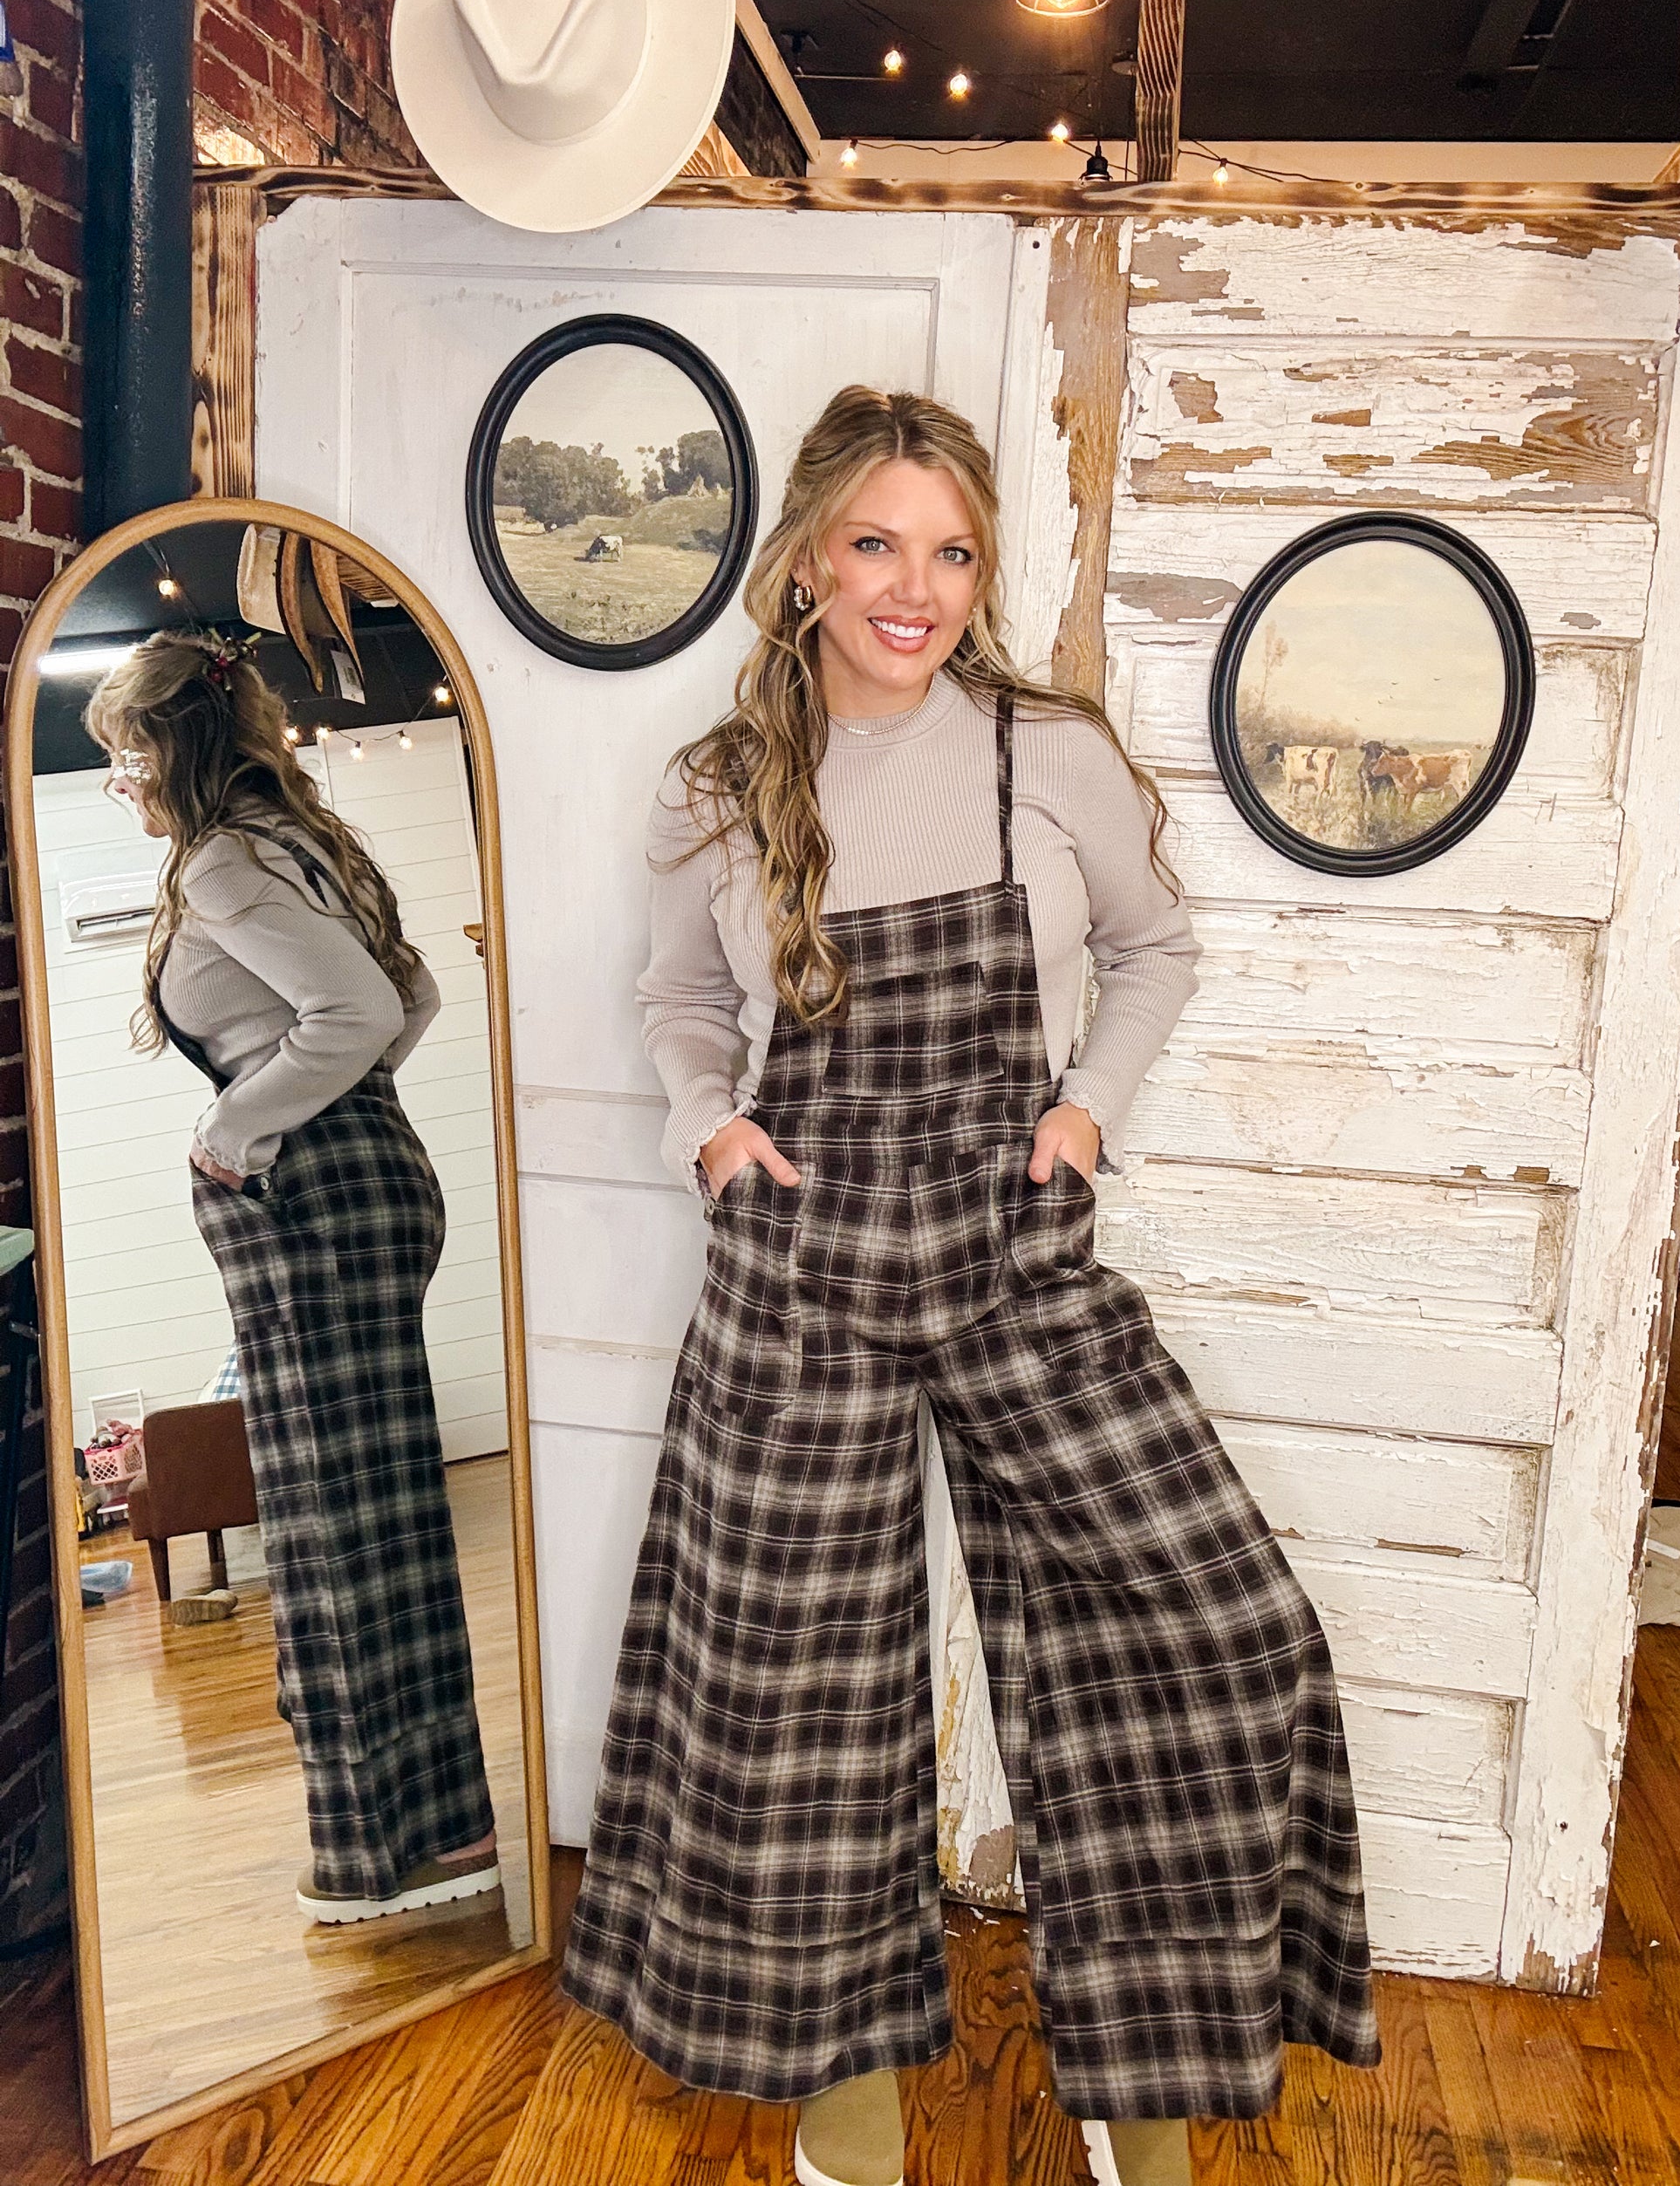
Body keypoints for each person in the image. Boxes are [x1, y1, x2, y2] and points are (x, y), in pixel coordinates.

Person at [563, 387, 1382, 2186]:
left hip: (1017, 1257)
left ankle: (1140, 2070)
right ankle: (836, 2068)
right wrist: (711, 1128)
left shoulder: (1046, 753)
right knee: (785, 1684)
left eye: (948, 553)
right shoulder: (718, 785)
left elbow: (1155, 950)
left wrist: (1085, 1111)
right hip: (802, 1268)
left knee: (1215, 1626)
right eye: (875, 543)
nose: (912, 590)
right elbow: (678, 996)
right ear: (805, 558)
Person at [87, 630, 499, 1927]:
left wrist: (235, 1132)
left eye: (125, 754)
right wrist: (340, 1102)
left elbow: (363, 1013)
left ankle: (384, 1855)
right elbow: (411, 996)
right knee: (381, 1518)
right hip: (370, 1181)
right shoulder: (309, 841)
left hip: (309, 1200)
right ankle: (448, 1826)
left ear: (172, 747)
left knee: (328, 1531)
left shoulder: (223, 859)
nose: (120, 782)